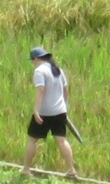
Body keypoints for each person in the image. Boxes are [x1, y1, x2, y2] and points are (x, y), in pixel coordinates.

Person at [21, 45, 75, 175]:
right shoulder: (58, 70)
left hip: (45, 112)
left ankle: (26, 169)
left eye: (32, 60)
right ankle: (71, 169)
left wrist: (36, 111)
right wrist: (64, 106)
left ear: (36, 59)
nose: (32, 63)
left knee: (32, 139)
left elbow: (40, 90)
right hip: (60, 111)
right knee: (61, 140)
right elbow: (65, 90)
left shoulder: (39, 71)